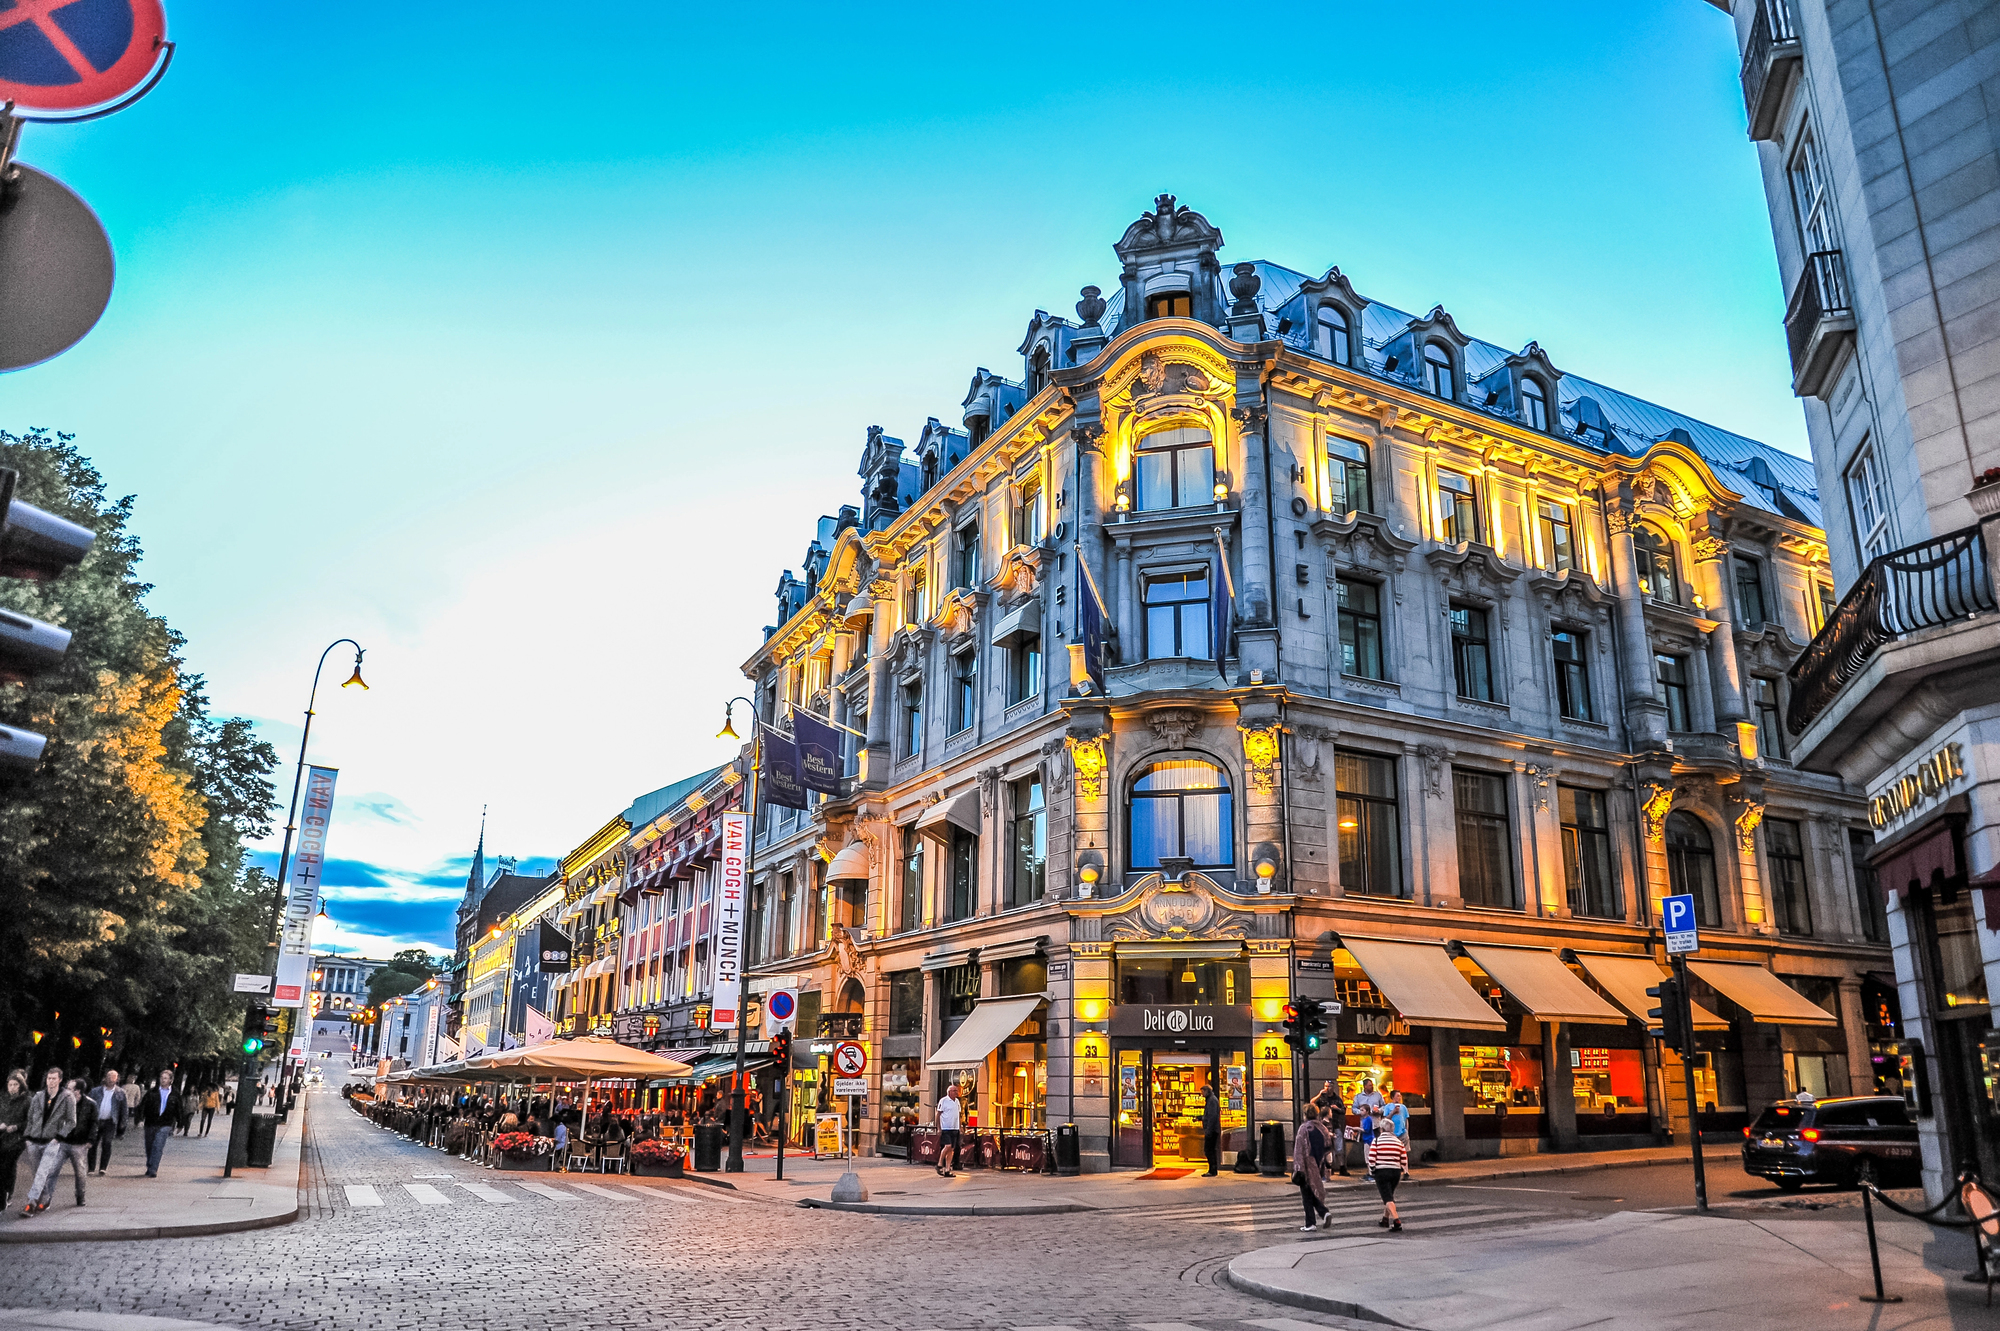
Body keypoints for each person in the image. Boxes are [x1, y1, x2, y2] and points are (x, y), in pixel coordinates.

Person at [20, 1068, 75, 1215]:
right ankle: (45, 1197)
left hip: (51, 1141)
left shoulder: (67, 1097)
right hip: (33, 1140)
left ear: (60, 1080)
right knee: (37, 1173)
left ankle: (31, 1202)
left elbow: (71, 1121)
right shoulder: (38, 1096)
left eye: (53, 1078)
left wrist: (58, 1137)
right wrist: (27, 1137)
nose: (50, 1081)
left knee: (42, 1172)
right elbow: (30, 1118)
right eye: (48, 1078)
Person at [55, 1079, 96, 1206]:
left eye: (69, 1088)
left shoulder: (90, 1104)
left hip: (80, 1143)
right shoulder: (64, 1101)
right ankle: (45, 1197)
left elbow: (94, 1123)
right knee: (52, 1170)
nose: (66, 1090)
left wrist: (90, 1140)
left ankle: (80, 1196)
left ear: (77, 1091)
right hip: (63, 1141)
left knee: (80, 1173)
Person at [1367, 1110, 1410, 1232]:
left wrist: (1372, 1170)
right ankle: (1385, 1219)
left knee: (1387, 1198)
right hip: (1395, 1172)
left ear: (1381, 1129)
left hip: (1382, 1172)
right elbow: (1404, 1158)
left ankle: (1396, 1221)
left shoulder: (1376, 1141)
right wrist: (1403, 1169)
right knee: (1389, 1195)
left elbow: (1372, 1158)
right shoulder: (1399, 1142)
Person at [1292, 1104, 1332, 1232]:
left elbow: (1299, 1150)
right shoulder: (1323, 1128)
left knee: (1306, 1194)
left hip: (1307, 1165)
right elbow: (1328, 1147)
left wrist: (1298, 1168)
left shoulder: (1304, 1128)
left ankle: (1311, 1222)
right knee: (1312, 1190)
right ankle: (1323, 1213)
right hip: (1319, 1164)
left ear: (1305, 1114)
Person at [137, 1069, 178, 1178]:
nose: (163, 1080)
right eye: (161, 1078)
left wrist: (180, 1124)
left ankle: (153, 1169)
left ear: (171, 1080)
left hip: (165, 1123)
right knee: (149, 1146)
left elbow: (179, 1109)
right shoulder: (152, 1092)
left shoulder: (174, 1094)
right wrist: (140, 1119)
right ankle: (150, 1165)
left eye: (165, 1078)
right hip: (150, 1122)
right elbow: (143, 1106)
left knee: (158, 1146)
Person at [88, 1070, 127, 1174]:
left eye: (114, 1078)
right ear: (105, 1078)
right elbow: (88, 1106)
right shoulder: (95, 1091)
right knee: (93, 1144)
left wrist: (122, 1125)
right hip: (96, 1121)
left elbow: (124, 1109)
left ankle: (103, 1168)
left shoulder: (120, 1093)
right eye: (109, 1077)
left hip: (110, 1121)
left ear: (117, 1079)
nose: (111, 1080)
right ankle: (91, 1168)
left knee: (107, 1143)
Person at [0, 1070, 29, 1211]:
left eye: (15, 1084)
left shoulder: (27, 1101)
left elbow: (30, 1121)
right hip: (3, 1137)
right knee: (3, 1167)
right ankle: (4, 1194)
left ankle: (7, 1195)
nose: (12, 1087)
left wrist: (17, 1127)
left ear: (21, 1085)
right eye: (10, 1084)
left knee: (8, 1166)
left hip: (17, 1139)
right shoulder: (3, 1099)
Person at [1312, 1079, 1350, 1175]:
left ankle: (1342, 1167)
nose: (1327, 1088)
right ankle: (1330, 1167)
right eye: (1326, 1086)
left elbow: (1343, 1110)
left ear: (1333, 1087)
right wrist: (1319, 1094)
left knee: (1339, 1147)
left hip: (1336, 1124)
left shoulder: (1337, 1099)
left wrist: (1337, 1108)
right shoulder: (1322, 1098)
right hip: (1324, 1125)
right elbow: (1312, 1103)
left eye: (1329, 1086)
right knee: (1327, 1147)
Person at [935, 1083, 962, 1177]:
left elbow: (959, 1115)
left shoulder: (957, 1102)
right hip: (946, 1127)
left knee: (951, 1149)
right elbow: (938, 1114)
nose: (956, 1092)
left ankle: (947, 1169)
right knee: (947, 1146)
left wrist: (960, 1126)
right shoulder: (944, 1101)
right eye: (954, 1091)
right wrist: (938, 1128)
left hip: (955, 1128)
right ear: (950, 1092)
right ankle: (939, 1164)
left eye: (956, 1091)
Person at [1201, 1082, 1222, 1177]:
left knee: (1209, 1150)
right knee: (1210, 1150)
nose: (1202, 1094)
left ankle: (1212, 1169)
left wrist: (1208, 1130)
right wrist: (1200, 1117)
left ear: (1206, 1091)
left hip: (1212, 1129)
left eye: (1202, 1092)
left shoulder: (1212, 1101)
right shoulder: (1211, 1100)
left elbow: (1212, 1116)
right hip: (1212, 1129)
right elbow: (1209, 1115)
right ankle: (1212, 1169)